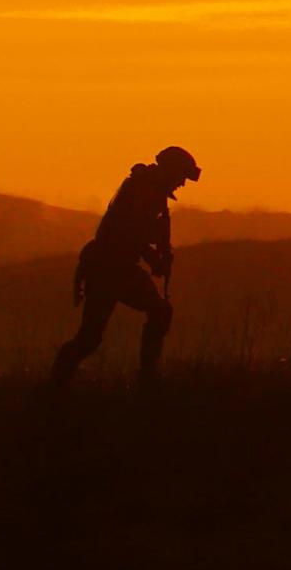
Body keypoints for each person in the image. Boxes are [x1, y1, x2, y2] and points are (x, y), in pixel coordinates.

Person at [50, 146, 202, 389]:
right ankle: (146, 378)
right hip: (111, 267)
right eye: (180, 176)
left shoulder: (148, 189)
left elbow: (135, 232)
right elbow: (129, 232)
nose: (181, 183)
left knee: (92, 336)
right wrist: (153, 257)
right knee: (99, 334)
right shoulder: (143, 191)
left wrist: (155, 254)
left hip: (113, 266)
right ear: (169, 171)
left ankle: (55, 384)